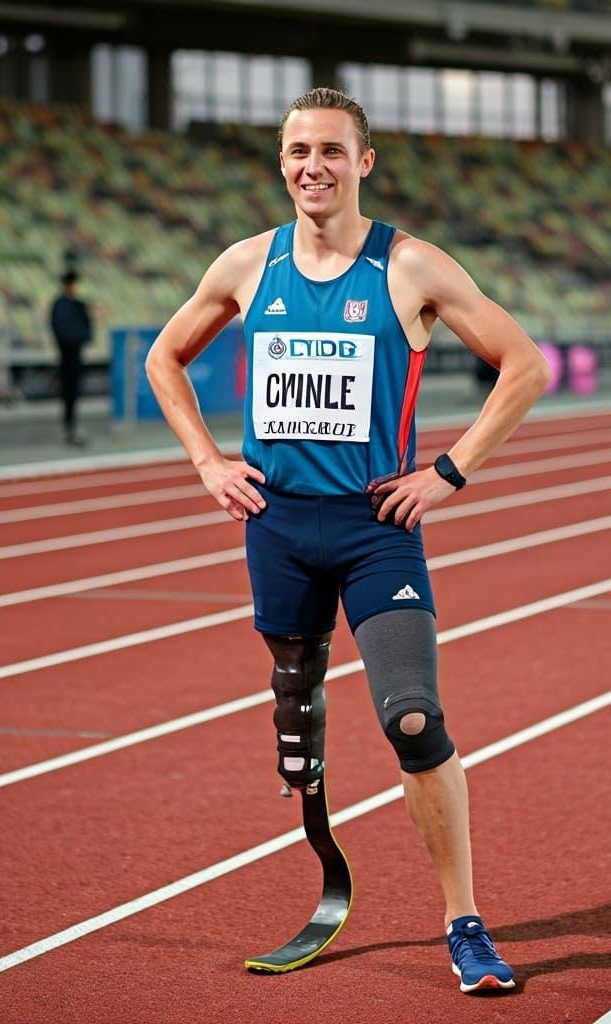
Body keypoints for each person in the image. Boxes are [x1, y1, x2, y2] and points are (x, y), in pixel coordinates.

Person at [145, 87, 550, 993]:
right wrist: (208, 460)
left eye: (331, 150)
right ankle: (327, 866)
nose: (311, 167)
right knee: (297, 733)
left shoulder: (407, 267)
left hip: (376, 533)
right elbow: (162, 357)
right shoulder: (249, 265)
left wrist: (447, 472)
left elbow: (525, 365)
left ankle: (464, 923)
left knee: (414, 717)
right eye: (297, 152)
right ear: (281, 163)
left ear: (363, 163)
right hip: (278, 529)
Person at [49, 269, 93, 445]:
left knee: (74, 388)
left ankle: (71, 422)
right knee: (67, 388)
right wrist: (71, 341)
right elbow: (57, 327)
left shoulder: (76, 304)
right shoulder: (61, 304)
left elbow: (87, 326)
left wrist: (81, 340)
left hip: (75, 352)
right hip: (66, 352)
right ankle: (68, 422)